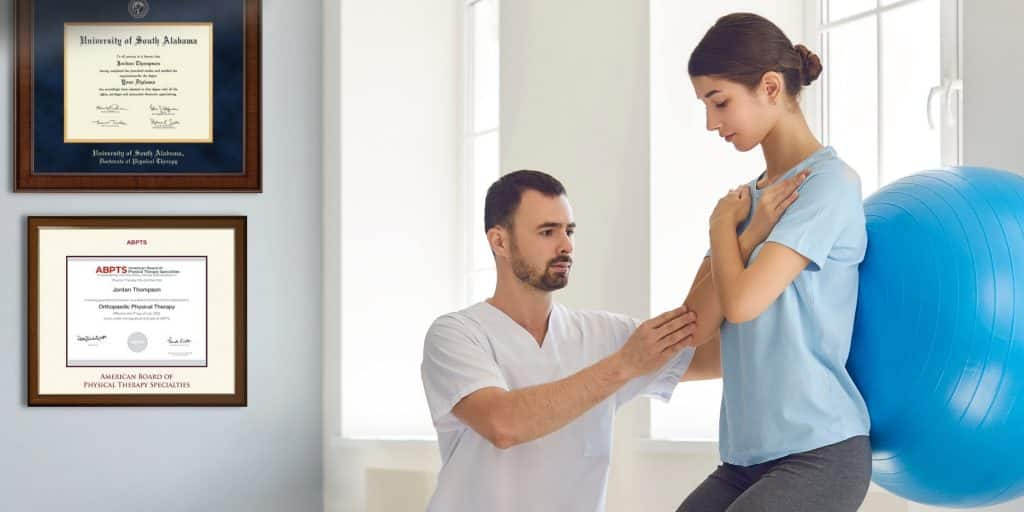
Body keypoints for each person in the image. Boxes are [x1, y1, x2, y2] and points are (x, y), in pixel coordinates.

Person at [420, 170, 715, 512]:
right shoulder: (456, 334)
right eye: (547, 232)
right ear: (499, 241)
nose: (566, 246)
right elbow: (502, 424)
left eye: (569, 231)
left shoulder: (605, 334)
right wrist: (624, 365)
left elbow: (709, 357)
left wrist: (726, 243)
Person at [676, 12, 872, 512]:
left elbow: (740, 304)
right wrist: (748, 233)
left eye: (719, 102)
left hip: (820, 450)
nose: (710, 123)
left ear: (768, 87)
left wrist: (723, 230)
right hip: (745, 458)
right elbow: (696, 326)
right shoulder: (750, 201)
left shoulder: (827, 185)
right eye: (705, 105)